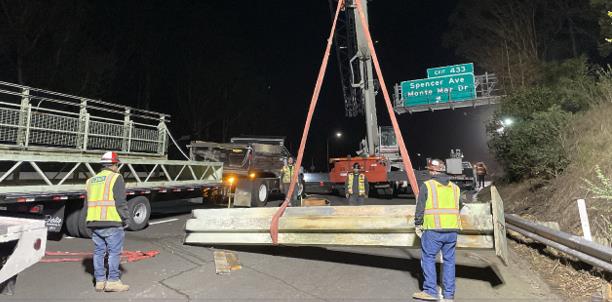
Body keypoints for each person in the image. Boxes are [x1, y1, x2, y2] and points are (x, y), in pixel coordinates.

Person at [413, 159, 462, 302]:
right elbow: (459, 205)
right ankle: (449, 294)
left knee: (428, 258)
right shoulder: (455, 187)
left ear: (434, 171)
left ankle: (430, 291)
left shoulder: (427, 186)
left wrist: (418, 224)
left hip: (433, 230)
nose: (429, 172)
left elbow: (420, 208)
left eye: (430, 170)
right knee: (449, 261)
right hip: (452, 230)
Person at [86, 151, 130, 292]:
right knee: (114, 252)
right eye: (117, 164)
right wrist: (126, 218)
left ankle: (99, 281)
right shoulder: (116, 178)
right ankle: (112, 281)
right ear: (114, 165)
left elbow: (87, 204)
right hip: (111, 222)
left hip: (94, 222)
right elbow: (120, 201)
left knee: (99, 252)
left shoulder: (91, 180)